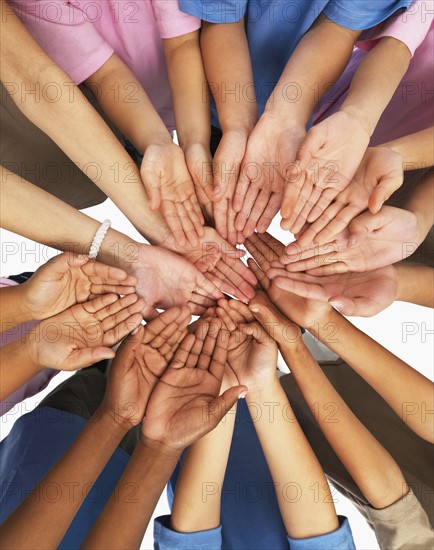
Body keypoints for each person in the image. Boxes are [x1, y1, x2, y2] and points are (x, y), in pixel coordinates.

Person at [0, 2, 256, 298]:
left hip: (149, 103)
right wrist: (125, 251)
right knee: (81, 185)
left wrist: (156, 234)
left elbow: (35, 81)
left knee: (89, 183)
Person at [0, 313, 246, 548]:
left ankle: (110, 351)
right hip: (120, 472)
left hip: (50, 439)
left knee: (100, 375)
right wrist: (158, 446)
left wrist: (118, 420)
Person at [179, 0, 412, 242]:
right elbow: (220, 19)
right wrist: (238, 125)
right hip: (219, 99)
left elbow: (339, 27)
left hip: (296, 110)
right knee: (214, 209)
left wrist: (287, 117)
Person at [244, 231, 434, 527]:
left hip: (348, 435)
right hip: (369, 403)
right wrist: (323, 325)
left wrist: (302, 341)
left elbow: (397, 505)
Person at [155, 301, 356, 549]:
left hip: (200, 422)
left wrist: (219, 391)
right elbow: (320, 538)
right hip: (271, 422)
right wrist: (260, 386)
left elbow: (191, 538)